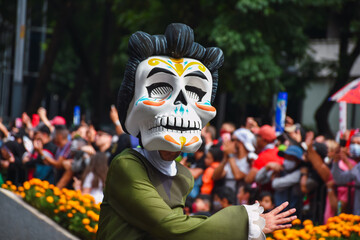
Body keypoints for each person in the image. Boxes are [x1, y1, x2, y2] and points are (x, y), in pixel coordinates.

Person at [97, 23, 296, 240]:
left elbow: (178, 230)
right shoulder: (127, 165)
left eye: (195, 91)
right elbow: (169, 225)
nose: (181, 104)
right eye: (160, 88)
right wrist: (246, 221)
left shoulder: (183, 176)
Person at [213, 128, 257, 192]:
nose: (230, 142)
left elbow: (238, 176)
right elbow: (215, 176)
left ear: (240, 142)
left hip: (241, 199)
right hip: (227, 197)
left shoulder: (252, 157)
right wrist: (225, 159)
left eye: (232, 140)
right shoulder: (232, 158)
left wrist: (230, 155)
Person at [331, 133, 360, 215]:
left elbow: (358, 178)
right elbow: (339, 179)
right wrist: (336, 161)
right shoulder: (358, 166)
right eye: (353, 143)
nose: (355, 146)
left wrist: (346, 161)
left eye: (358, 143)